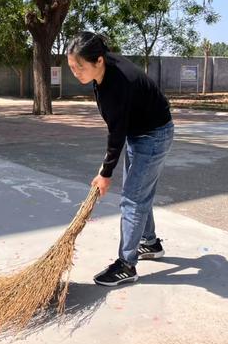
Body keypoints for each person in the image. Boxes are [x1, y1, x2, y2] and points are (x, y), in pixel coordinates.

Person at [67, 32, 174, 287]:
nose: (75, 72)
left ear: (99, 61)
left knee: (132, 199)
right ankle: (150, 243)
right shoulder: (103, 72)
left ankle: (127, 265)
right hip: (141, 132)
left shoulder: (118, 84)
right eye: (71, 67)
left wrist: (105, 173)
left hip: (154, 135)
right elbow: (119, 130)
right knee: (139, 192)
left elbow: (116, 134)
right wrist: (106, 169)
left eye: (80, 67)